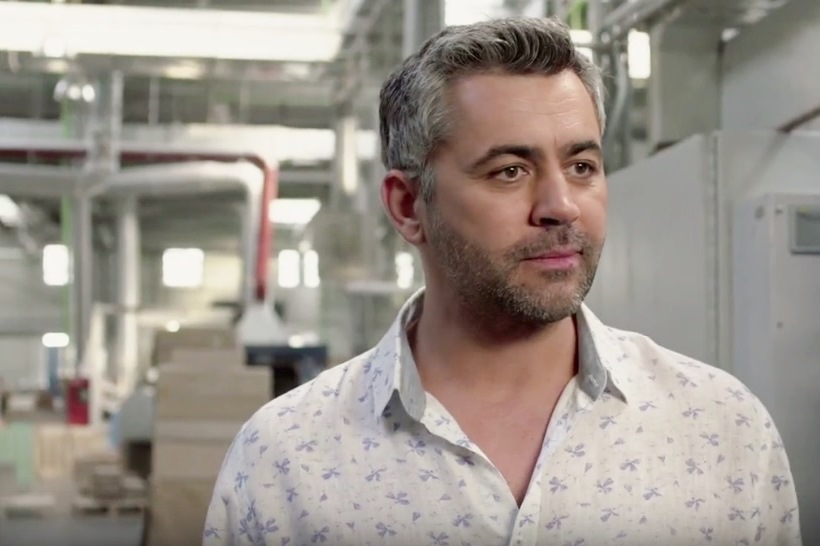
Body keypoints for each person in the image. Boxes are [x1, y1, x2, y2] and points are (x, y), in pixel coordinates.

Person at [204, 17, 801, 546]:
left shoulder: (722, 428)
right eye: (510, 171)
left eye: (582, 166)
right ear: (408, 206)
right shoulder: (286, 461)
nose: (561, 205)